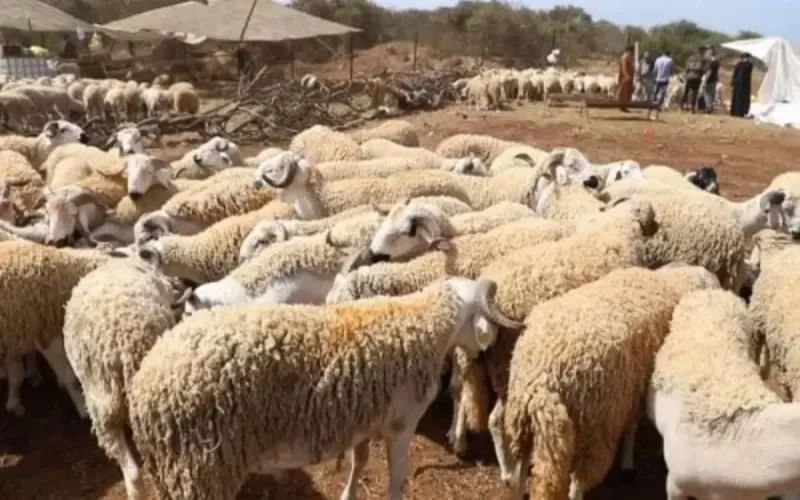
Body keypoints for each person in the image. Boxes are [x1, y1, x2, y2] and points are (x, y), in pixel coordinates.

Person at [680, 46, 707, 113]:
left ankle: (681, 105)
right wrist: (702, 75)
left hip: (690, 76)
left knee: (686, 92)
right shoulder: (703, 59)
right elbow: (703, 69)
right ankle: (692, 108)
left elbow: (687, 67)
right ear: (702, 51)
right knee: (695, 93)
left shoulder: (691, 58)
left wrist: (685, 75)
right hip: (697, 77)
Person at [730, 52, 754, 117]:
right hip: (744, 84)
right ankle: (741, 112)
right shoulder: (749, 65)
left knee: (736, 97)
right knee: (743, 98)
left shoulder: (738, 64)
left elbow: (735, 74)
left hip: (737, 83)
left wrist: (733, 82)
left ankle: (734, 111)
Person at [616, 45, 635, 111]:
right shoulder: (625, 56)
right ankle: (620, 104)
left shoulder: (630, 56)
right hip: (626, 77)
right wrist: (626, 75)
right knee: (623, 91)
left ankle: (624, 105)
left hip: (629, 77)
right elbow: (624, 67)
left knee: (627, 92)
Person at [701, 47, 720, 113]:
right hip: (714, 80)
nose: (707, 55)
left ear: (711, 55)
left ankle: (708, 108)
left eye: (708, 54)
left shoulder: (712, 63)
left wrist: (705, 81)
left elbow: (709, 72)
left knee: (707, 94)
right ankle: (711, 108)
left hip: (709, 80)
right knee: (712, 94)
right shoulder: (717, 62)